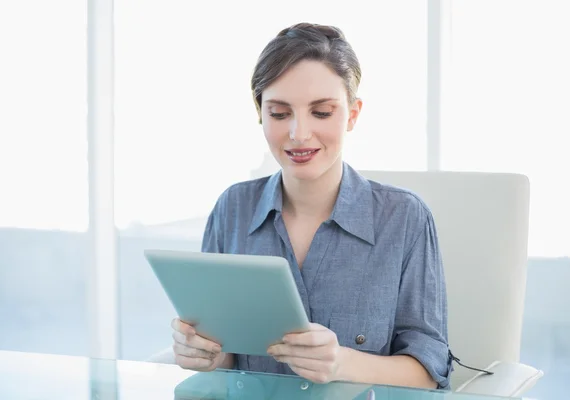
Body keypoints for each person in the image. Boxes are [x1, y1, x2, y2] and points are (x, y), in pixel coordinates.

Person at [170, 22, 452, 390]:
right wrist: (203, 352)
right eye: (279, 113)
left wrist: (342, 363)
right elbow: (226, 355)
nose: (299, 134)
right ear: (260, 112)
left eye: (321, 112)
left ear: (352, 115)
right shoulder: (233, 208)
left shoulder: (404, 218)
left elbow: (431, 373)